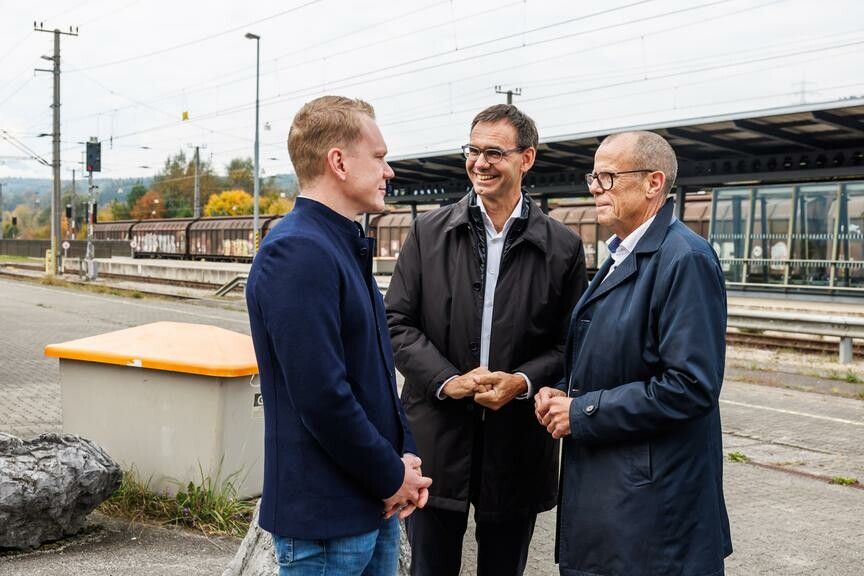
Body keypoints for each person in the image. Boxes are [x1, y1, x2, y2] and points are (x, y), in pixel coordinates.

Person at [385, 104, 587, 576]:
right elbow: (395, 322)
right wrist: (447, 381)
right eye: (472, 150)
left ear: (527, 158)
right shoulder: (428, 233)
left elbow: (573, 343)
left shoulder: (562, 247)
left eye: (494, 152)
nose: (479, 163)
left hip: (517, 445)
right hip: (436, 439)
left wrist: (522, 381)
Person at [246, 95, 432, 576]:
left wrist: (405, 457)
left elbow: (376, 377)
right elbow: (322, 397)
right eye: (379, 156)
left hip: (369, 505)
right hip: (327, 522)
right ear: (339, 162)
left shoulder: (339, 244)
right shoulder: (298, 251)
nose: (389, 170)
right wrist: (392, 475)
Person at [536, 130, 733, 576]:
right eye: (593, 177)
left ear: (653, 183)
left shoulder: (685, 259)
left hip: (654, 519)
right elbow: (613, 357)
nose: (594, 188)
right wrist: (564, 391)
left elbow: (690, 386)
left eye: (607, 177)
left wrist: (581, 411)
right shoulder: (624, 255)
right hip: (621, 505)